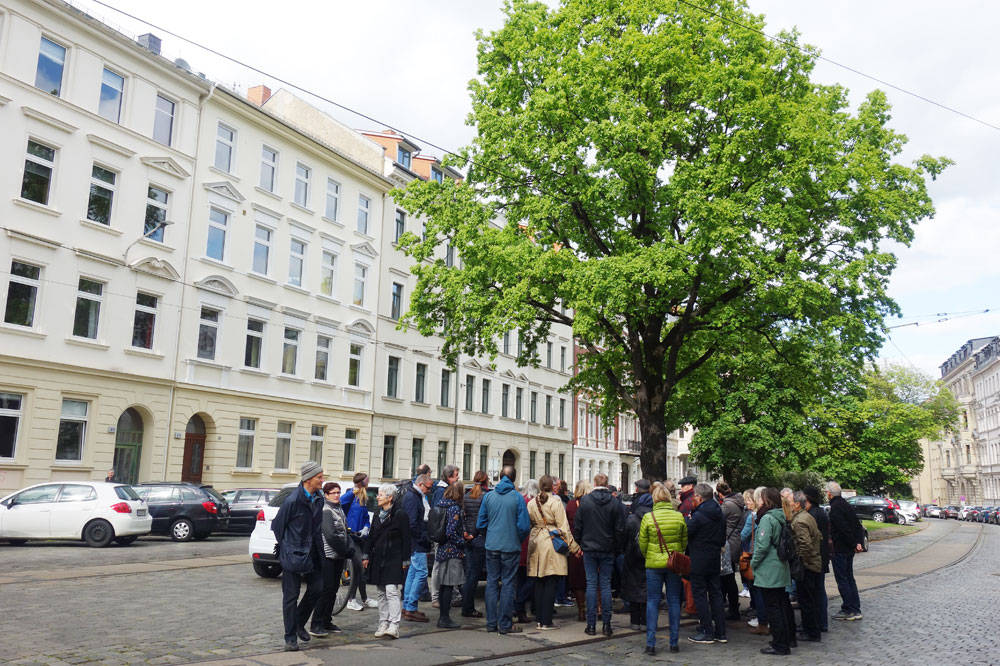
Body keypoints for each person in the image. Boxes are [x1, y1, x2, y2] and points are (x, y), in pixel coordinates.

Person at [271, 461, 325, 652]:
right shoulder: (292, 501)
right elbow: (277, 527)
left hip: (314, 553)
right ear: (309, 479)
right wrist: (289, 547)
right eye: (320, 477)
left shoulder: (319, 497)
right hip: (293, 554)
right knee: (291, 597)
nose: (322, 480)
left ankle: (300, 621)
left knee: (318, 588)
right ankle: (290, 637)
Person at [477, 464, 531, 635]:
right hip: (510, 546)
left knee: (492, 582)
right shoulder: (517, 497)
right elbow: (524, 526)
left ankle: (491, 623)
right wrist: (517, 539)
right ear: (514, 478)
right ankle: (505, 623)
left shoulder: (489, 496)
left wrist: (489, 536)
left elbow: (481, 523)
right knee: (508, 584)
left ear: (500, 476)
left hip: (492, 545)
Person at [572, 473, 626, 637]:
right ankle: (607, 625)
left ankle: (591, 625)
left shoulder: (585, 501)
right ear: (607, 484)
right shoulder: (615, 503)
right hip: (607, 548)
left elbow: (578, 525)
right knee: (605, 585)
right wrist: (616, 546)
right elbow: (620, 529)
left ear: (595, 483)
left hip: (589, 547)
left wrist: (580, 542)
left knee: (591, 584)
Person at [527, 475, 581, 629]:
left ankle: (538, 619)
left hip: (536, 541)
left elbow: (529, 523)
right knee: (551, 580)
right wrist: (575, 548)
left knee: (538, 580)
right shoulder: (555, 502)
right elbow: (564, 528)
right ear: (552, 486)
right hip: (551, 542)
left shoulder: (531, 503)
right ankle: (546, 620)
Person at [640, 482, 687, 655]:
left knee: (652, 601)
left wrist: (651, 556)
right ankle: (674, 643)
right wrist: (676, 554)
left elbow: (642, 544)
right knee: (674, 600)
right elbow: (683, 541)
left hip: (653, 564)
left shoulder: (648, 517)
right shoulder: (678, 516)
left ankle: (650, 644)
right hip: (673, 564)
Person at [364, 483, 411, 640]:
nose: (377, 497)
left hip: (394, 558)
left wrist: (405, 559)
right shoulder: (377, 514)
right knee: (381, 593)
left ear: (390, 498)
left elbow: (406, 538)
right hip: (378, 559)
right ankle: (383, 622)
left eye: (380, 495)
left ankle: (394, 625)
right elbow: (371, 537)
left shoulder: (400, 515)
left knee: (391, 591)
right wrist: (365, 555)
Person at [750, 488, 794, 656]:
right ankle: (786, 640)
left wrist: (753, 563)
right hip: (780, 566)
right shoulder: (781, 515)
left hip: (770, 567)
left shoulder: (768, 518)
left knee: (773, 607)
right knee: (781, 604)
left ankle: (780, 644)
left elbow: (762, 545)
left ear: (766, 500)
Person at [685, 482, 727, 645]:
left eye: (694, 496)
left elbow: (687, 532)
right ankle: (720, 632)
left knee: (700, 595)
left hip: (699, 559)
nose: (693, 499)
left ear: (700, 498)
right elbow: (723, 538)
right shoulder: (719, 513)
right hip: (714, 558)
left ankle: (706, 630)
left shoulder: (699, 516)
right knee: (716, 593)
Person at [310, 482, 353, 636]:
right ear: (326, 495)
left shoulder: (339, 509)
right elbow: (330, 536)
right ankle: (316, 624)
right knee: (325, 590)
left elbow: (345, 530)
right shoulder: (326, 510)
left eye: (338, 492)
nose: (336, 495)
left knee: (334, 589)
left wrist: (351, 545)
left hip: (338, 556)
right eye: (333, 493)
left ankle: (326, 621)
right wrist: (346, 551)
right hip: (328, 556)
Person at [827, 481, 864, 621]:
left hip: (840, 548)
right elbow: (856, 525)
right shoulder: (845, 505)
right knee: (849, 578)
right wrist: (857, 542)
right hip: (848, 548)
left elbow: (843, 529)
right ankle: (855, 608)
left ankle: (848, 608)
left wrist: (854, 542)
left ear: (829, 493)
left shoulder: (836, 508)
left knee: (842, 579)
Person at [435, 481, 470, 628]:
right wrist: (462, 541)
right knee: (449, 584)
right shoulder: (454, 508)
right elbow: (450, 532)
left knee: (443, 584)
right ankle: (445, 618)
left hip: (442, 549)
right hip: (452, 550)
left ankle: (443, 617)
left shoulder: (441, 504)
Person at [790, 491, 822, 643]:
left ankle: (811, 631)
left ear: (797, 504)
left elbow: (806, 544)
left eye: (790, 501)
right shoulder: (807, 516)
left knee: (807, 600)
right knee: (809, 599)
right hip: (813, 563)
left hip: (808, 565)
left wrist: (801, 561)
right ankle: (810, 629)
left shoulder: (800, 520)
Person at [401, 473, 433, 622]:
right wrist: (423, 537)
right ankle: (411, 606)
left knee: (413, 573)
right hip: (416, 542)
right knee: (421, 573)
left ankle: (408, 606)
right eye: (428, 488)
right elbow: (411, 523)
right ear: (421, 485)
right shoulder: (413, 497)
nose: (428, 491)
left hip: (415, 542)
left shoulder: (414, 496)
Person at [342, 473, 376, 611]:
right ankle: (351, 599)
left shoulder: (362, 497)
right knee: (358, 569)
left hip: (361, 537)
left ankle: (364, 598)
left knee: (362, 569)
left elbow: (365, 516)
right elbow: (337, 506)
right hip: (351, 538)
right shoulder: (351, 495)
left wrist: (366, 526)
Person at [430, 465, 462, 608]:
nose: (458, 478)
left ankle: (453, 595)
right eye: (456, 475)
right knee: (439, 567)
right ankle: (436, 597)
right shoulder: (441, 491)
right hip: (443, 536)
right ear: (449, 477)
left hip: (444, 535)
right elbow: (439, 514)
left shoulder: (442, 490)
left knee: (446, 568)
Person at [623, 479, 653, 630]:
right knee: (648, 587)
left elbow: (624, 537)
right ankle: (646, 620)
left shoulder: (632, 518)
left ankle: (635, 621)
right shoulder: (655, 518)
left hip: (633, 557)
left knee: (633, 587)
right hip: (650, 556)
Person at [461, 471, 490, 618]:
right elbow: (482, 519)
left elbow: (462, 517)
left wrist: (466, 533)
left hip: (468, 539)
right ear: (486, 482)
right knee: (474, 574)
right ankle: (468, 608)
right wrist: (475, 533)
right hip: (479, 538)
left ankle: (467, 605)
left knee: (469, 574)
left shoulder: (466, 496)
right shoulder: (485, 497)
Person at [803, 485, 830, 632]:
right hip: (821, 555)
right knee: (819, 590)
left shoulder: (813, 514)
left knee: (815, 591)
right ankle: (821, 621)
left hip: (816, 557)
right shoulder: (819, 512)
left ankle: (818, 622)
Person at [743, 487, 770, 635]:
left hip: (754, 554)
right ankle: (766, 618)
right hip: (766, 558)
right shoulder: (772, 515)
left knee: (757, 589)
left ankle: (762, 620)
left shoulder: (754, 516)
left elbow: (744, 535)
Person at [717, 481, 746, 621]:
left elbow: (717, 518)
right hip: (735, 541)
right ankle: (733, 606)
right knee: (729, 577)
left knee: (727, 577)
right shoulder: (737, 502)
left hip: (728, 543)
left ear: (720, 493)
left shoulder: (727, 505)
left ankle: (733, 608)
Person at [566, 480, 592, 621]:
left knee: (578, 582)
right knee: (593, 580)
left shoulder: (571, 505)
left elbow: (567, 526)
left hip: (575, 548)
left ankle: (581, 611)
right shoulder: (592, 504)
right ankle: (597, 609)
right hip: (591, 546)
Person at [514, 479, 539, 623]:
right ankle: (519, 604)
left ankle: (521, 609)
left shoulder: (520, 500)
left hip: (519, 542)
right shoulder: (535, 503)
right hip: (531, 542)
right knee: (532, 578)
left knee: (520, 578)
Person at [676, 475, 698, 616]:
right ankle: (691, 605)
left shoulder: (688, 502)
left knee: (689, 576)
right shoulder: (688, 500)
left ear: (690, 486)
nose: (681, 489)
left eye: (683, 486)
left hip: (690, 545)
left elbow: (685, 525)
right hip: (691, 544)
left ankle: (691, 606)